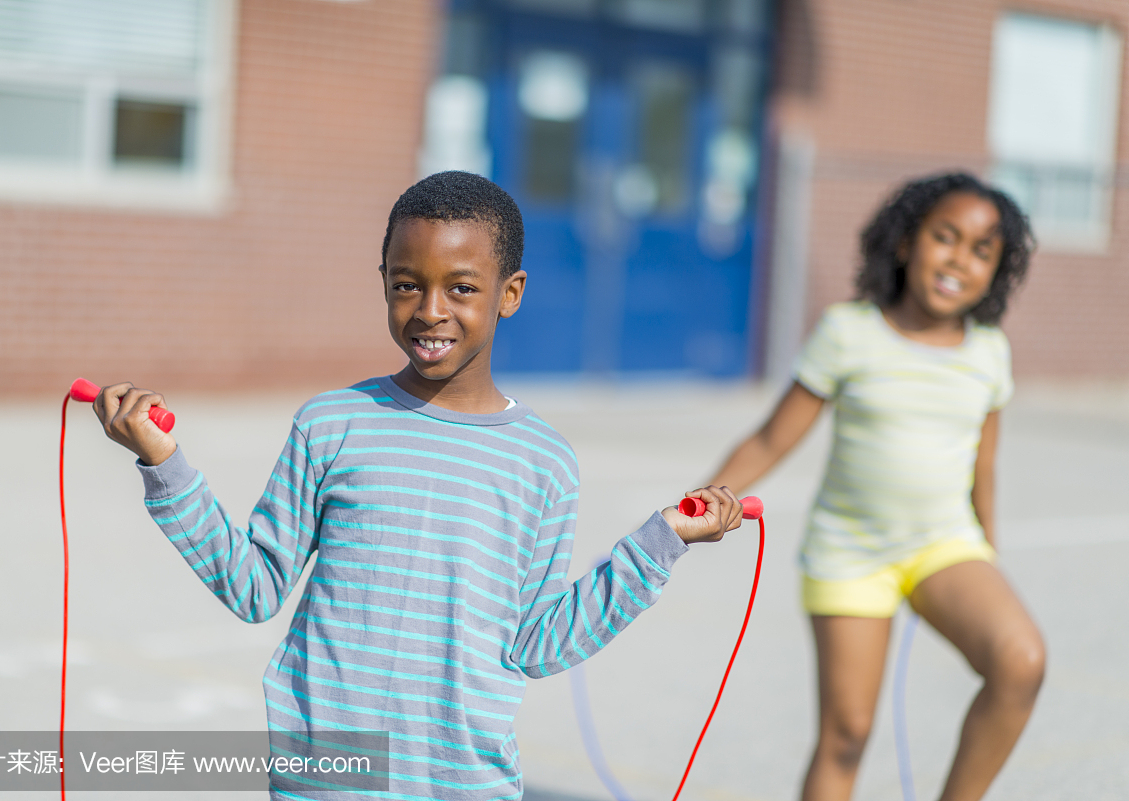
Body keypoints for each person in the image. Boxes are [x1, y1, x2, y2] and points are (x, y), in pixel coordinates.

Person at [93, 171, 744, 800]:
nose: (430, 311)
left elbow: (539, 643)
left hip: (463, 783)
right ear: (383, 283)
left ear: (509, 293)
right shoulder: (331, 423)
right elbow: (255, 585)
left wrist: (662, 540)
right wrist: (164, 462)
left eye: (461, 288)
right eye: (408, 285)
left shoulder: (545, 461)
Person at [707, 173, 1045, 801]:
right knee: (847, 735)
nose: (958, 260)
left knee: (1020, 661)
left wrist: (987, 555)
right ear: (904, 244)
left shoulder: (990, 352)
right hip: (850, 554)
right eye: (944, 238)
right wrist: (698, 501)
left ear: (997, 272)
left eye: (980, 251)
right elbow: (772, 440)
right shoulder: (849, 331)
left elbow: (984, 468)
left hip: (945, 546)